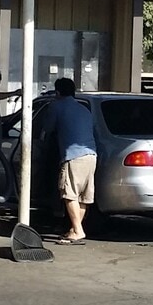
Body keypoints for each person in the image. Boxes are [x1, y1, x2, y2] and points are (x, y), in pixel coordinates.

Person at [45, 76, 96, 243]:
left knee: (69, 194)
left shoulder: (56, 106)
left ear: (57, 92)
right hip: (91, 155)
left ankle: (78, 231)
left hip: (73, 156)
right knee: (83, 196)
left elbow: (48, 129)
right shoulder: (84, 109)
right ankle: (74, 230)